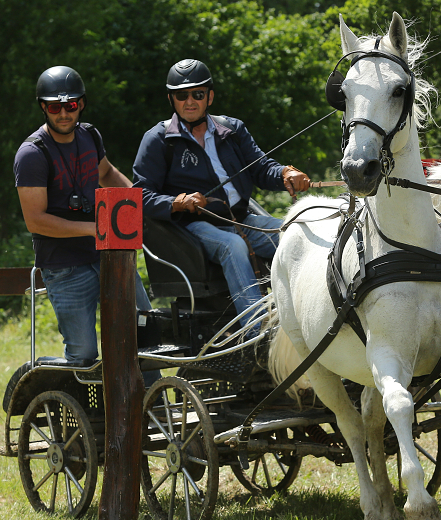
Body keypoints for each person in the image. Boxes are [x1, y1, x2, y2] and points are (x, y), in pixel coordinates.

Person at [132, 58, 310, 330]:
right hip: (192, 227)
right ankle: (257, 331)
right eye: (181, 95)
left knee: (295, 233)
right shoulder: (157, 140)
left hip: (241, 219)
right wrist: (177, 202)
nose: (189, 101)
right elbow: (141, 195)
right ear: (172, 99)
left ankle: (309, 319)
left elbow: (261, 168)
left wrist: (285, 173)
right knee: (233, 246)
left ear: (209, 97)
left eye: (197, 94)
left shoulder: (233, 130)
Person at [14, 65, 159, 385]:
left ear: (81, 104)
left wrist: (136, 202)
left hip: (109, 254)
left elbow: (106, 173)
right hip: (64, 265)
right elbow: (35, 220)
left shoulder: (89, 135)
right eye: (55, 106)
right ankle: (36, 378)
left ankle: (157, 402)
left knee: (145, 332)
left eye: (71, 105)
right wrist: (93, 228)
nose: (64, 113)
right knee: (84, 355)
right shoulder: (32, 154)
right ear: (43, 107)